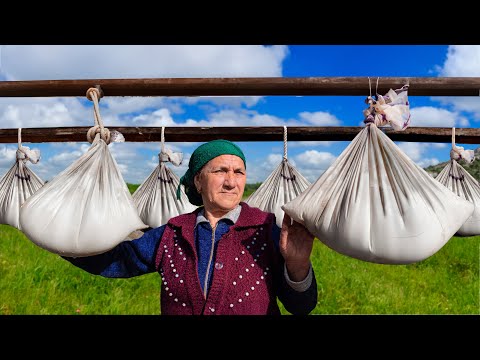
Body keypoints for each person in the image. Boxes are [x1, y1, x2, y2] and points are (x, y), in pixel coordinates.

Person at [63, 139, 317, 315]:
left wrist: (297, 266)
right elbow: (117, 261)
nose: (231, 182)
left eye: (239, 172)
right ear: (198, 181)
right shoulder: (172, 234)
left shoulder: (265, 230)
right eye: (220, 171)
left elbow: (301, 307)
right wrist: (61, 238)